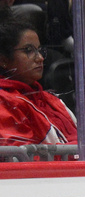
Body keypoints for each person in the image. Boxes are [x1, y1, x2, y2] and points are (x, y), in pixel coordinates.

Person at [0, 15, 78, 146]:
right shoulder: (4, 102)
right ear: (3, 60)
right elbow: (23, 156)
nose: (40, 58)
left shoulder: (50, 100)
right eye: (28, 50)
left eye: (39, 50)